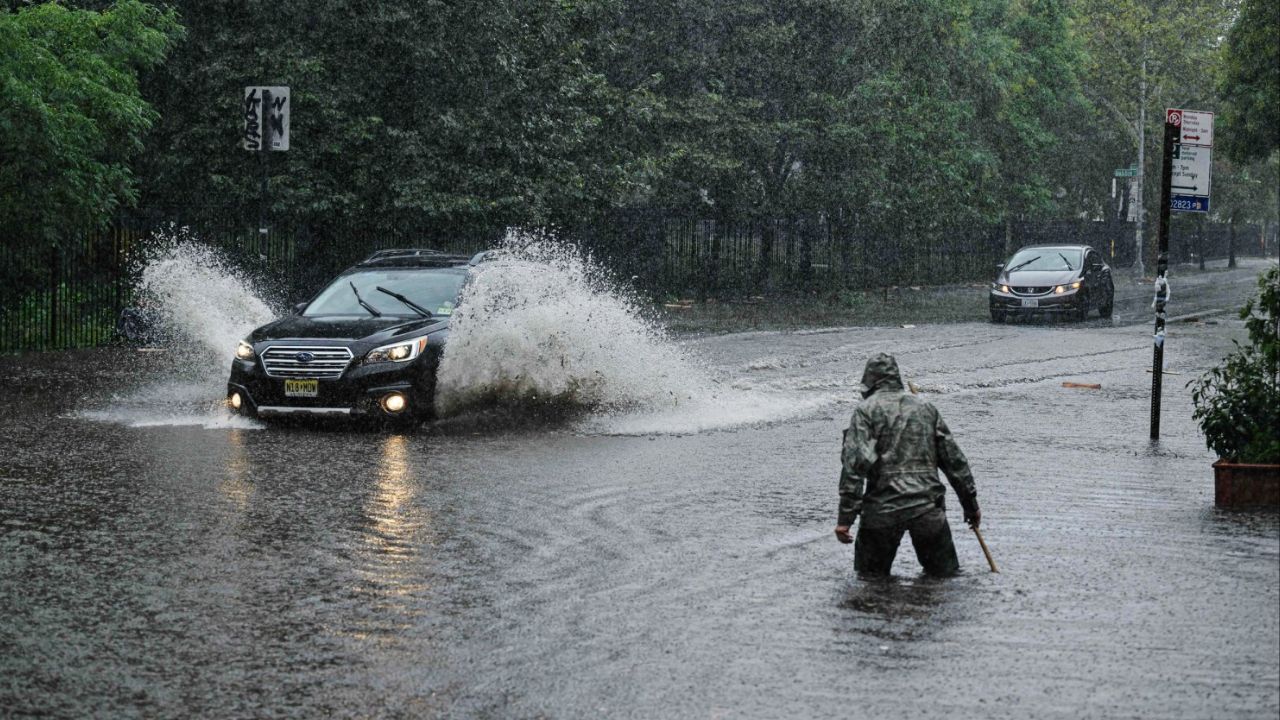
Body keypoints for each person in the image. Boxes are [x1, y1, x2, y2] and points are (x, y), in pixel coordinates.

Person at [834, 353, 980, 576]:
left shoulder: (865, 412)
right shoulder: (926, 409)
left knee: (869, 584)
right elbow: (954, 462)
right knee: (945, 582)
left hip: (881, 512)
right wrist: (970, 505)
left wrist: (845, 519)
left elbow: (854, 467)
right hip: (928, 509)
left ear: (869, 381)